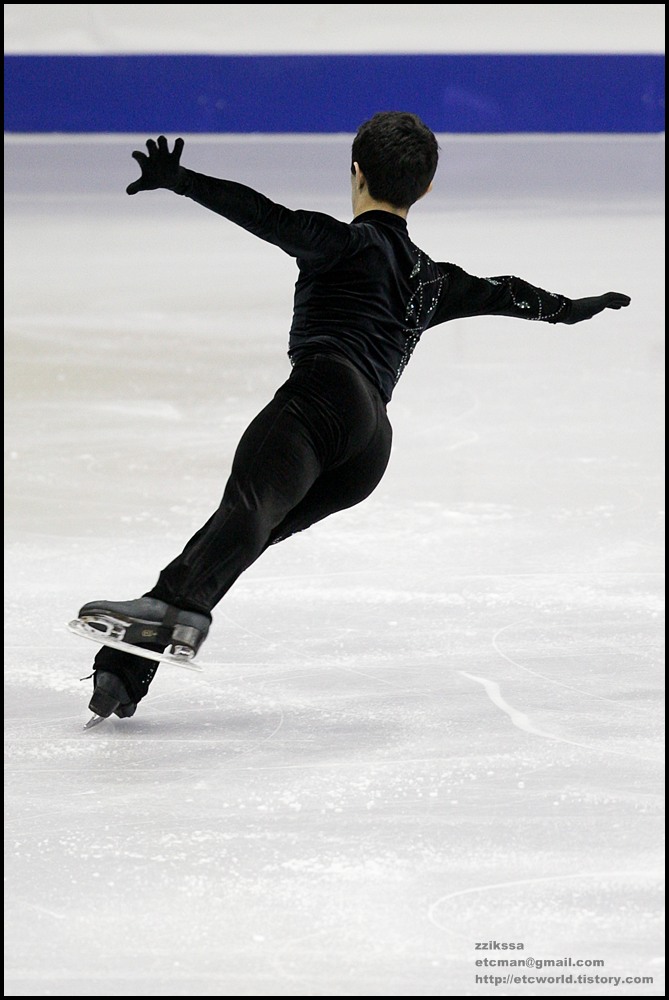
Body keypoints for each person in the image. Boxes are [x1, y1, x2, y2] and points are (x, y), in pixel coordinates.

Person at [77, 112, 630, 722]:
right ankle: (125, 673)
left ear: (356, 172)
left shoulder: (343, 243)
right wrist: (567, 310)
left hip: (323, 399)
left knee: (246, 513)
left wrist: (181, 180)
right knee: (246, 532)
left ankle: (164, 617)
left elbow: (263, 214)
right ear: (425, 189)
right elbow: (502, 290)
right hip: (369, 452)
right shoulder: (430, 281)